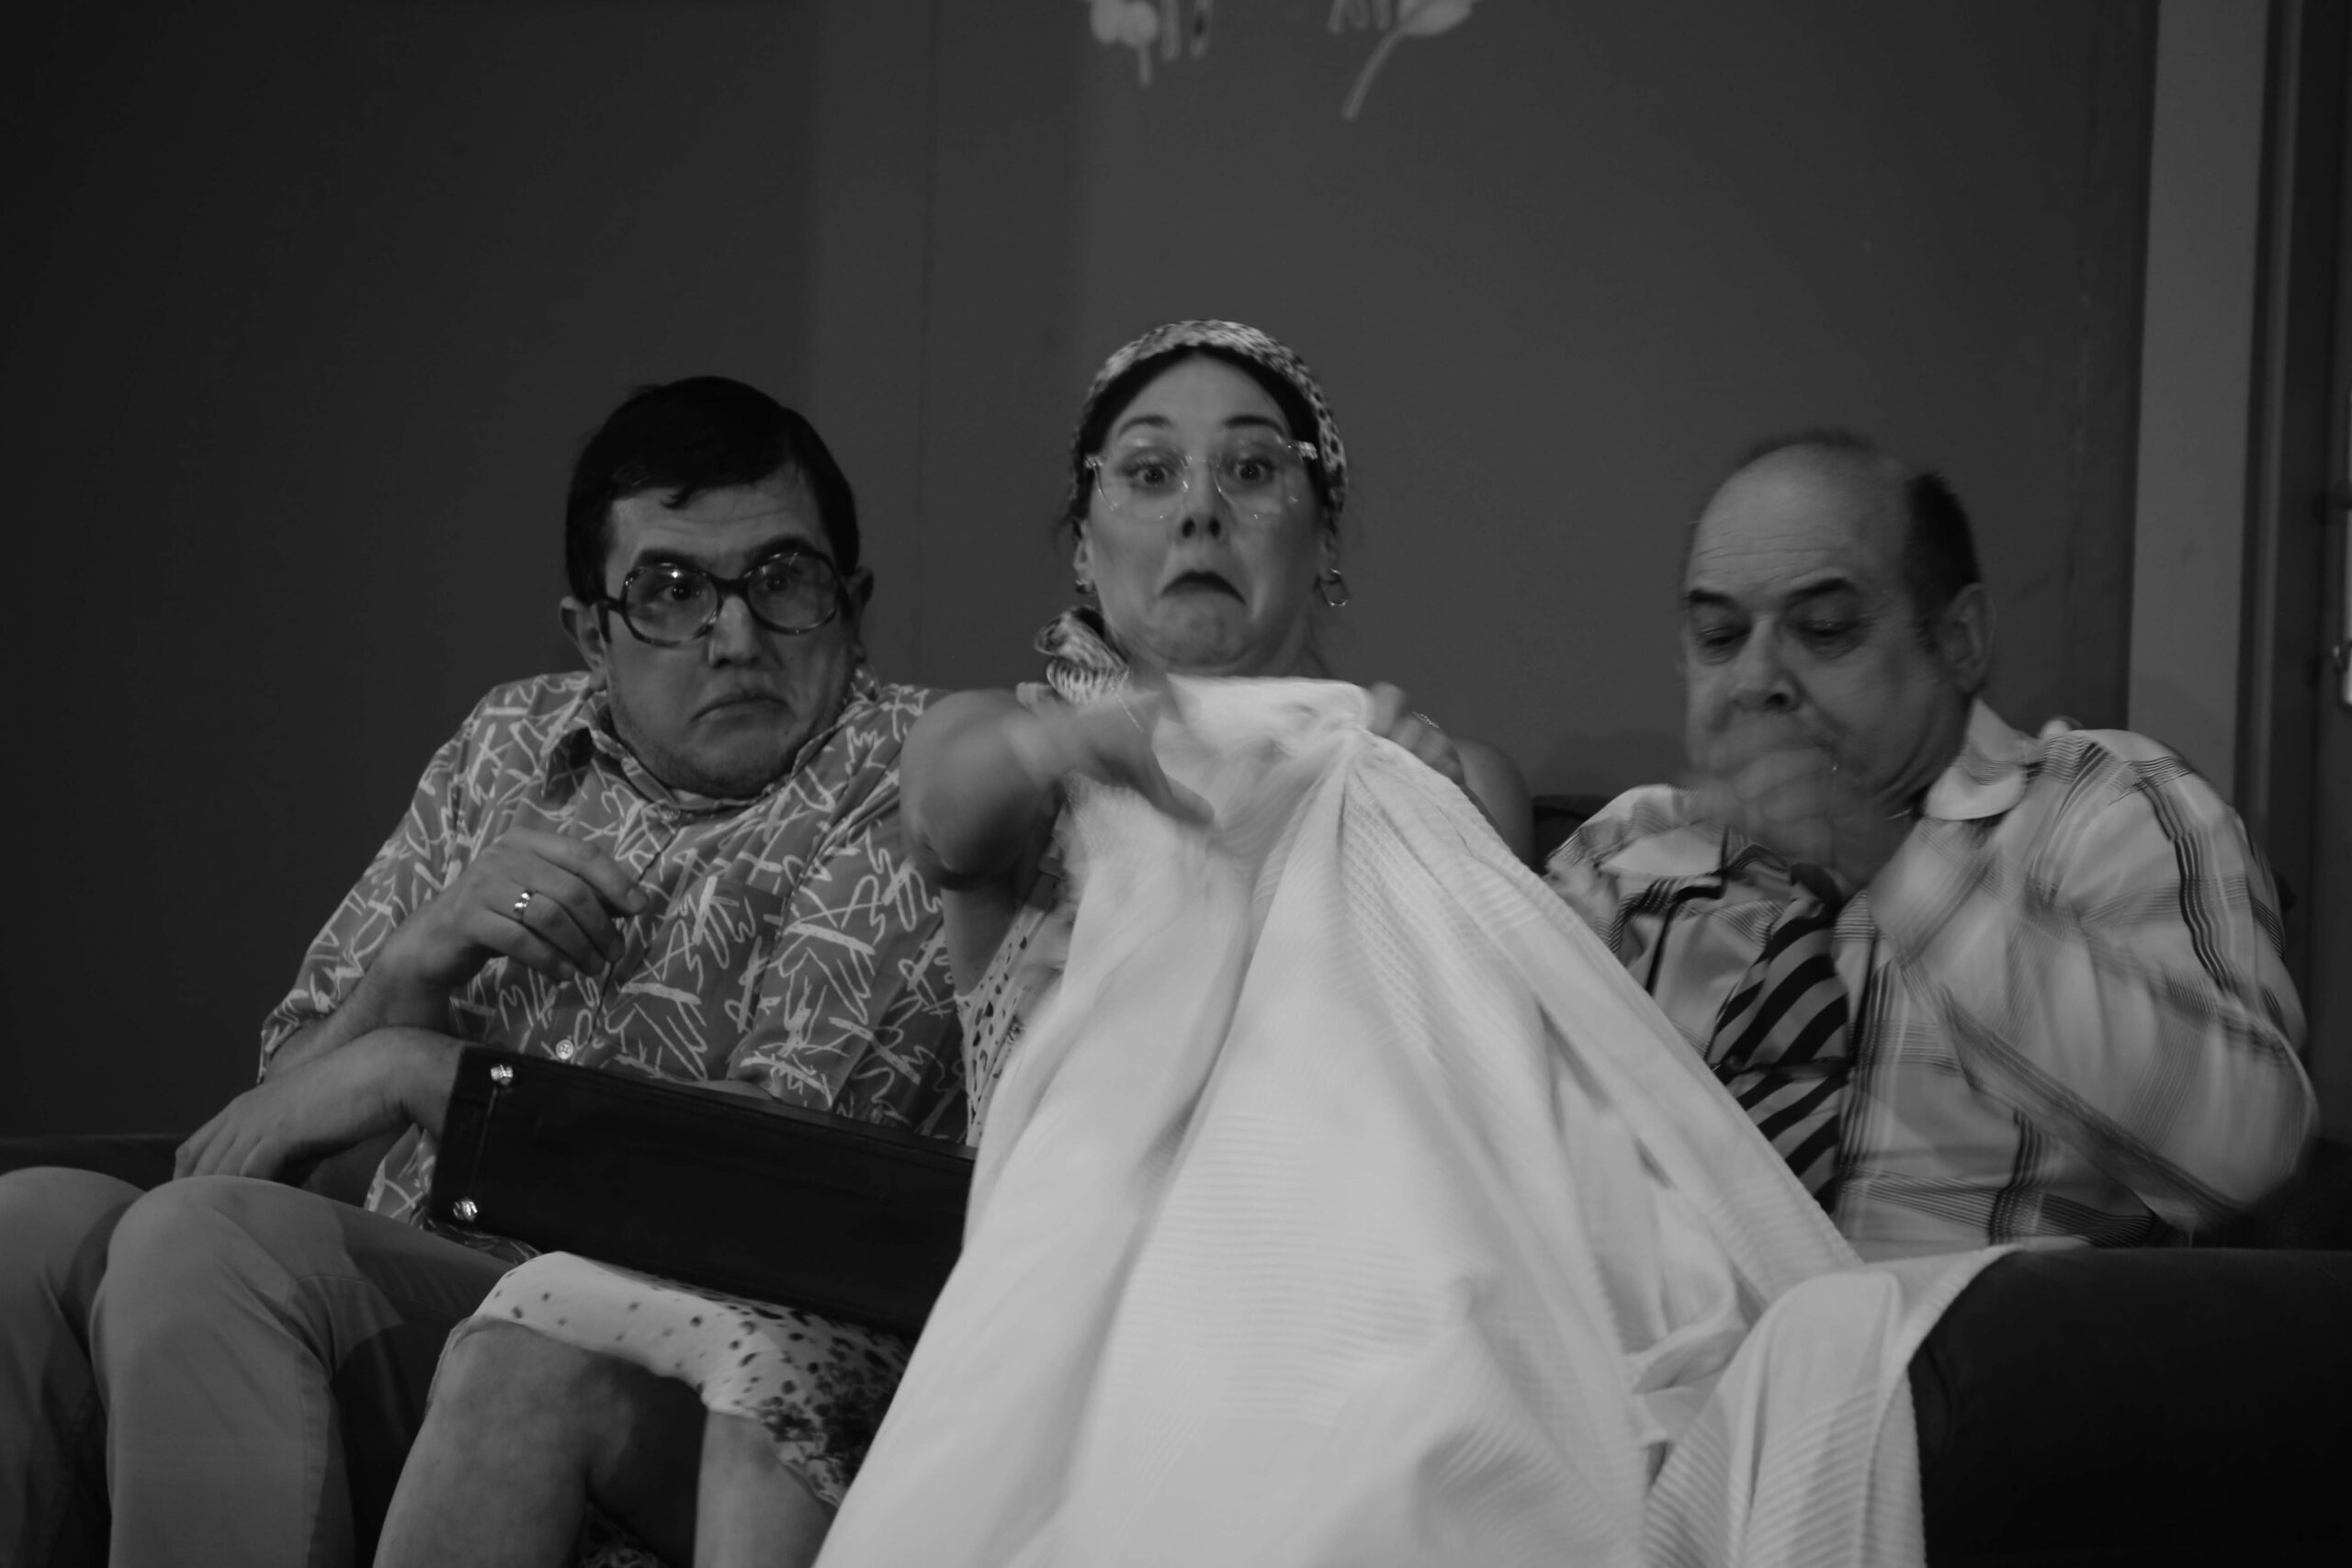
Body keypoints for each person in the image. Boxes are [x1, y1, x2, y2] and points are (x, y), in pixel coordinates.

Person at [377, 321, 1533, 1568]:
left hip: (1324, 1303)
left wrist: (1393, 810)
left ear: (1326, 537)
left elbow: (1475, 1105)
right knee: (534, 1339)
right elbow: (947, 809)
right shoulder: (999, 748)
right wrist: (1092, 738)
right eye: (1150, 473)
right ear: (1083, 545)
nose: (1200, 510)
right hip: (1048, 1310)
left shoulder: (1441, 777)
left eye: (1252, 470)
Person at [0, 376, 962, 1568]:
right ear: (590, 632)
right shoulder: (507, 741)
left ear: (852, 605)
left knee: (206, 1244)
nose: (735, 635)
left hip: (637, 1337)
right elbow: (281, 1131)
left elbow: (760, 1187)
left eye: (782, 579)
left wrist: (424, 1074)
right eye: (671, 590)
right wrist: (416, 959)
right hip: (407, 1279)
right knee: (30, 1225)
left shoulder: (912, 780)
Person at [1546, 430, 2315, 1259]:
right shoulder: (1624, 855)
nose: (1755, 678)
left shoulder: (2105, 806)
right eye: (1719, 635)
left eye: (1825, 628)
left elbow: (2249, 1150)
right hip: (1650, 1332)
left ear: (1960, 640)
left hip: (1971, 1331)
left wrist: (1898, 865)